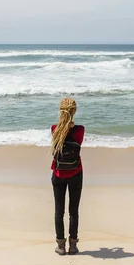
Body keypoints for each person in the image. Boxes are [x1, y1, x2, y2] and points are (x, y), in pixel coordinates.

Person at [50, 97, 85, 256]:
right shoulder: (80, 130)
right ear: (74, 111)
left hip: (58, 172)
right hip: (76, 171)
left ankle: (60, 246)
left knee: (59, 210)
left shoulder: (54, 129)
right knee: (73, 211)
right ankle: (73, 245)